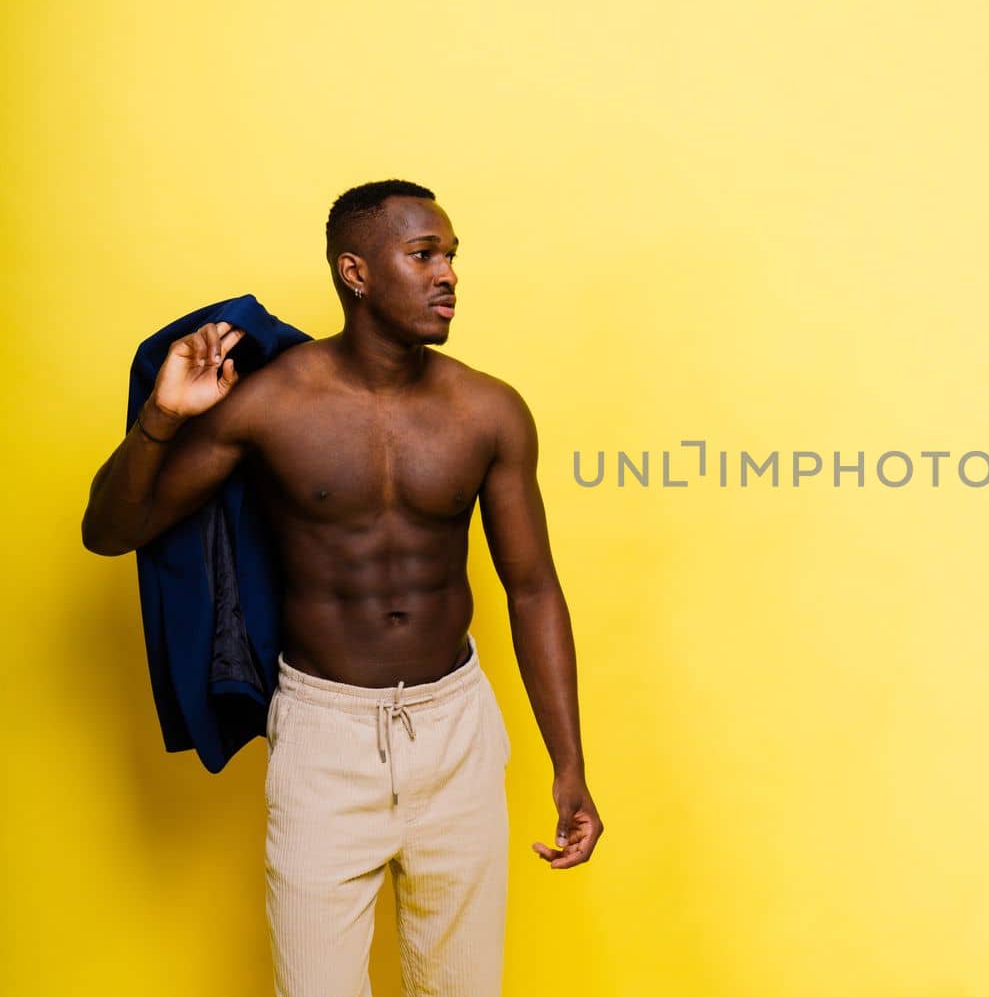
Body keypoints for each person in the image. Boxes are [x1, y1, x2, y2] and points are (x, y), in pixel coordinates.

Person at [81, 179, 602, 995]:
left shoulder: (489, 411)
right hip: (326, 737)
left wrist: (568, 765)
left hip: (455, 729)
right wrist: (164, 415)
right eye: (424, 254)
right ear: (355, 272)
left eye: (452, 256)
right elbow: (110, 532)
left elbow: (532, 588)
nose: (448, 275)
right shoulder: (268, 406)